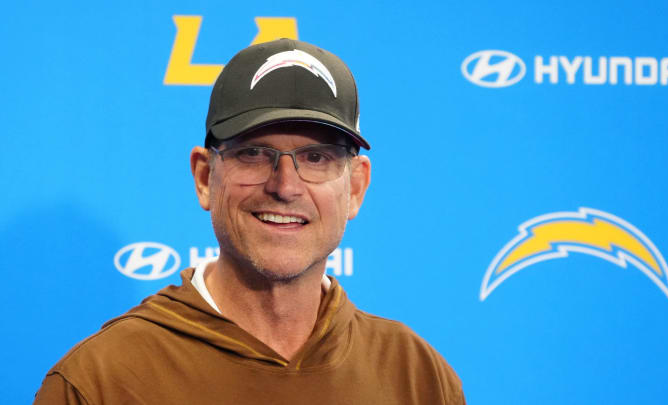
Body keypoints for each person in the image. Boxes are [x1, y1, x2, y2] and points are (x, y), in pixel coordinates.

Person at [34, 38, 465, 404]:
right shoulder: (99, 383)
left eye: (316, 158)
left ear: (355, 188)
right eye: (254, 153)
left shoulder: (418, 377)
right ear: (205, 177)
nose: (285, 185)